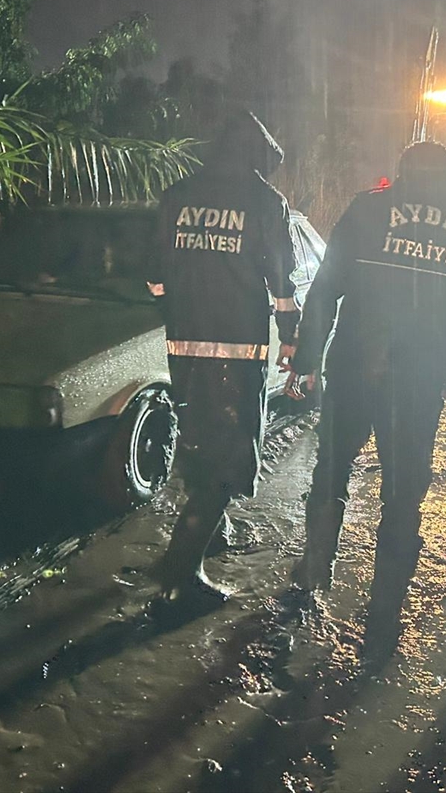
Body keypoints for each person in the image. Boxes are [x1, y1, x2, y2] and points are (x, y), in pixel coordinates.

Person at [286, 140, 446, 662]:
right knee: (402, 495)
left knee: (332, 469)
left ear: (401, 172)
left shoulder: (367, 209)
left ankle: (313, 572)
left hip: (355, 367)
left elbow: (326, 288)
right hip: (419, 383)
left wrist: (306, 357)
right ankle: (383, 617)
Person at [146, 111, 300, 616]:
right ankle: (179, 575)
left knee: (197, 441)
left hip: (183, 347)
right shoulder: (265, 202)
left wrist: (176, 312)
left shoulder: (177, 195)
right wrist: (291, 338)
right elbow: (282, 283)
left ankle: (211, 532)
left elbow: (154, 275)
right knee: (231, 457)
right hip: (238, 348)